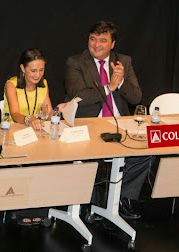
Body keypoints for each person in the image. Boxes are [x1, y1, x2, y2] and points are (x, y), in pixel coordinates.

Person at [65, 20, 151, 219]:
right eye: (93, 39)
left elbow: (136, 97)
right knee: (91, 156)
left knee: (145, 152)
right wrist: (109, 87)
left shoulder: (124, 62)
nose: (96, 44)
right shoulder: (76, 62)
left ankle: (123, 198)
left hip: (118, 122)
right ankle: (90, 203)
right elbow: (79, 95)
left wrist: (121, 83)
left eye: (103, 40)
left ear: (112, 44)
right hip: (88, 123)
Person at [4, 48, 65, 225]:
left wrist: (60, 109)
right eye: (33, 70)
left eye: (41, 70)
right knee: (26, 162)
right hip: (14, 134)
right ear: (23, 68)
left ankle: (41, 207)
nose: (38, 75)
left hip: (36, 134)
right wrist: (29, 119)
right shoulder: (11, 84)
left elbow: (48, 111)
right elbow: (15, 114)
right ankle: (22, 208)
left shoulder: (43, 84)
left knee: (47, 160)